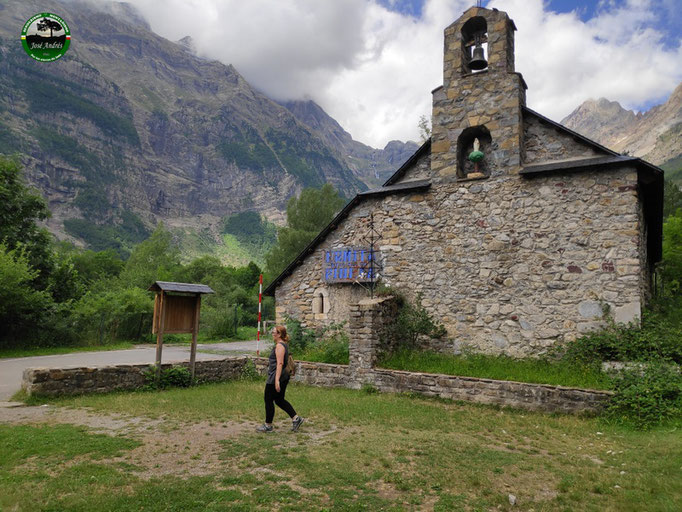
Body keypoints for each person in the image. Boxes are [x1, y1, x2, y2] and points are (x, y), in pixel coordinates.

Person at [257, 325, 304, 433]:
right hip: (281, 376)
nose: (272, 334)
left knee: (268, 399)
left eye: (274, 332)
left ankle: (268, 426)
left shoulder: (280, 346)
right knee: (279, 400)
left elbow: (280, 363)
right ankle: (296, 419)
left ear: (279, 334)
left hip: (276, 376)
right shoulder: (282, 344)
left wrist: (276, 380)